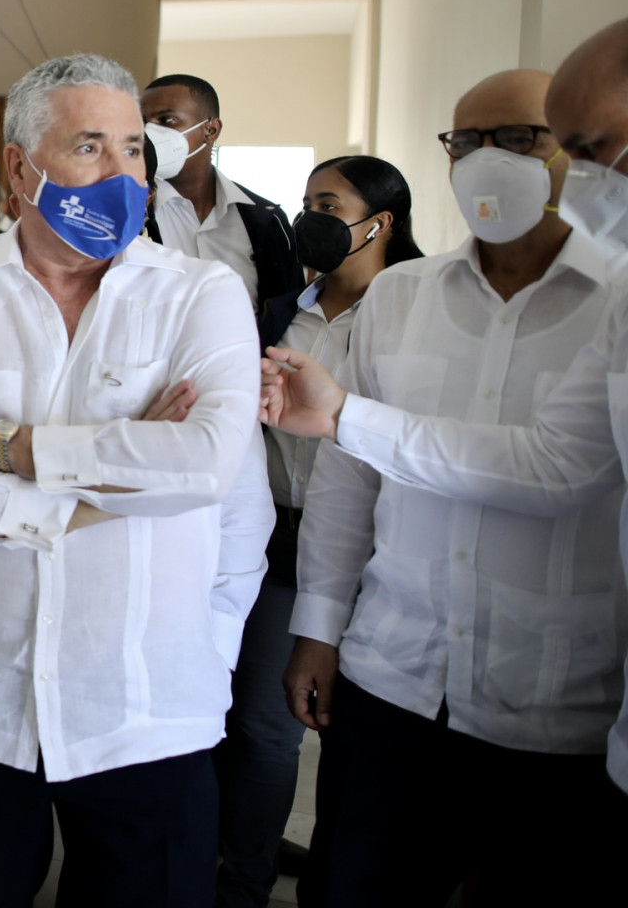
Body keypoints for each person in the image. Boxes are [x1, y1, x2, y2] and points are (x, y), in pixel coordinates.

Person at [0, 53, 259, 907]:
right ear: (20, 168)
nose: (123, 173)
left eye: (133, 148)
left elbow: (204, 465)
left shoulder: (201, 296)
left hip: (147, 709)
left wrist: (4, 447)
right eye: (90, 147)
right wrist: (101, 495)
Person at [258, 68, 628, 906]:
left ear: (574, 154)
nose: (488, 159)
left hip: (559, 701)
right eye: (468, 141)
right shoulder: (401, 296)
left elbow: (558, 467)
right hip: (394, 677)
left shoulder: (616, 299)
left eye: (519, 138)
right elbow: (347, 479)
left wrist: (348, 416)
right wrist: (319, 627)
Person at [213, 155, 419, 908]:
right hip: (281, 537)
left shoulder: (412, 311)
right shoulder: (279, 312)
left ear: (380, 222)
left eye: (328, 206)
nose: (309, 219)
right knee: (267, 726)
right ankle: (243, 884)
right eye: (306, 203)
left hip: (384, 542)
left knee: (367, 739)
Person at [141, 73, 300, 307]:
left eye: (167, 120)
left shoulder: (264, 219)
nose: (149, 132)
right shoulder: (135, 210)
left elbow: (285, 310)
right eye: (143, 122)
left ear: (211, 130)